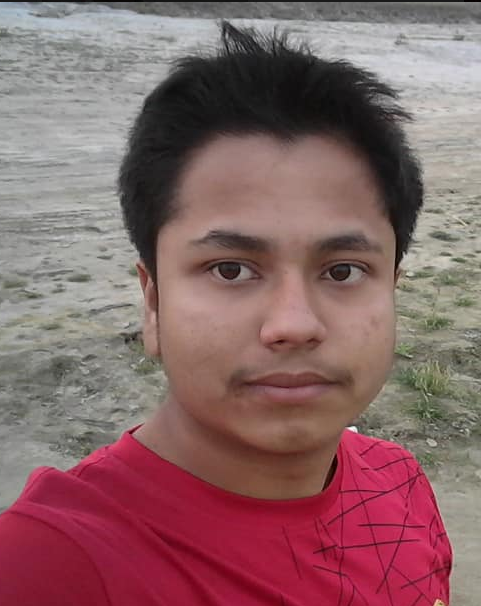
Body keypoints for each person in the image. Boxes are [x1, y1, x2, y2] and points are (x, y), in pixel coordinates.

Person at [0, 21, 452, 606]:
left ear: (392, 288)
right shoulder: (50, 565)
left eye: (342, 271)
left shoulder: (400, 482)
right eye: (231, 269)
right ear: (153, 302)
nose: (293, 325)